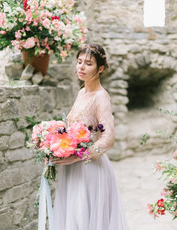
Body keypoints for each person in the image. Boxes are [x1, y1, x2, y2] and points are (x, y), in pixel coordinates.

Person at [52, 43, 129, 230]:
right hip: (72, 168)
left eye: (88, 63)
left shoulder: (101, 97)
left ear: (100, 68)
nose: (81, 67)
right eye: (79, 62)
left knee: (85, 218)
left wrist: (78, 157)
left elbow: (108, 138)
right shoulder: (81, 92)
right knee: (73, 218)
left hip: (90, 169)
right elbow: (73, 126)